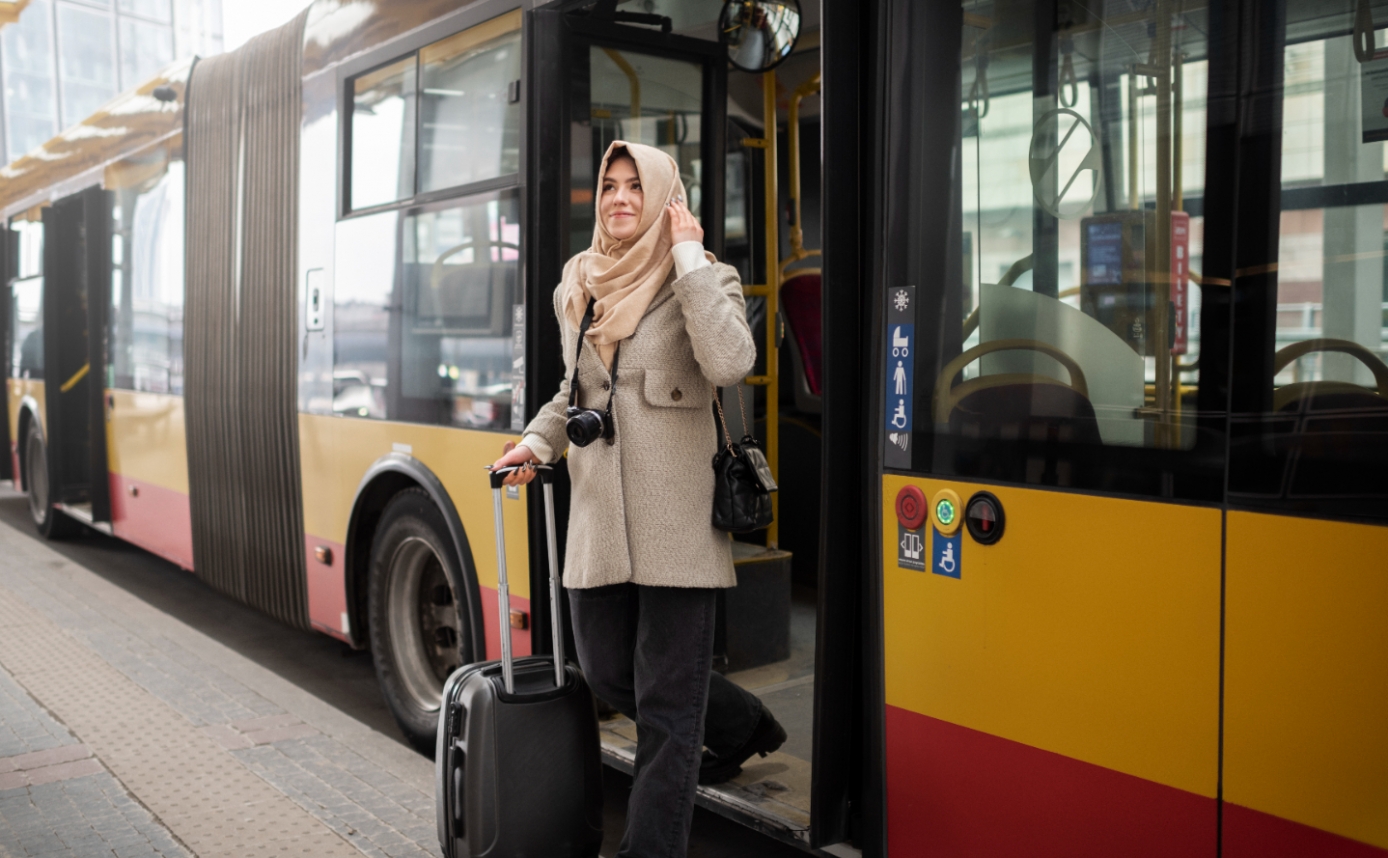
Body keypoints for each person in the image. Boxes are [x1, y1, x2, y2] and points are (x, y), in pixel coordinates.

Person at [491, 140, 785, 857]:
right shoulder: (580, 283)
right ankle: (744, 726)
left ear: (663, 197)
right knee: (608, 671)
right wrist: (535, 444)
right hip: (598, 523)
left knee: (665, 709)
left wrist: (687, 260)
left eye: (635, 187)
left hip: (679, 528)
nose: (620, 198)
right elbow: (572, 394)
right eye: (609, 186)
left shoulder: (708, 277)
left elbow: (730, 363)